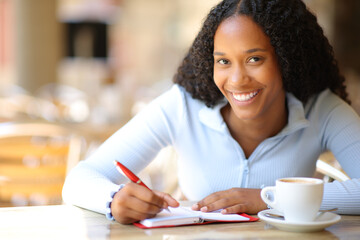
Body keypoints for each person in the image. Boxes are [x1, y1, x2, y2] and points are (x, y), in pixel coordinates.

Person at [62, 0, 360, 224]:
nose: (237, 80)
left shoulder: (322, 109)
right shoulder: (182, 106)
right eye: (224, 61)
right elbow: (79, 179)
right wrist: (113, 200)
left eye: (254, 59)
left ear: (287, 59)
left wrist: (266, 198)